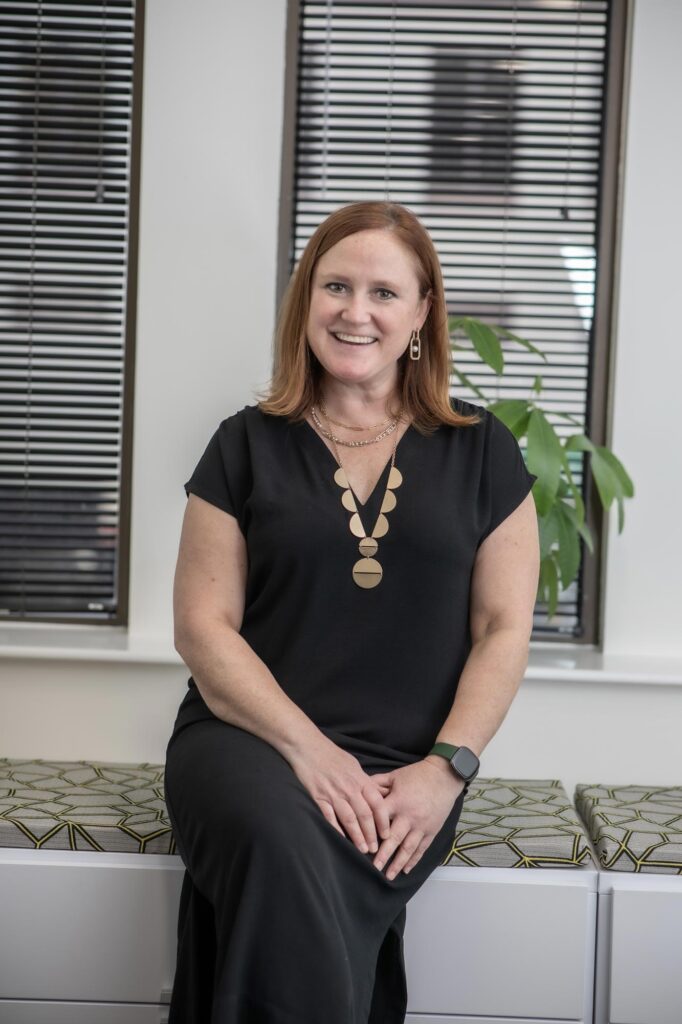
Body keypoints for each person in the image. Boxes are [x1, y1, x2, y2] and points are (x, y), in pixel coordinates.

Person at [163, 200, 540, 1023]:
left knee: (297, 876)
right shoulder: (242, 444)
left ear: (420, 314)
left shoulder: (484, 451)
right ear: (306, 302)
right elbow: (202, 626)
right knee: (278, 840)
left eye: (382, 291)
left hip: (411, 768)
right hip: (248, 742)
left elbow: (503, 629)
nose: (354, 311)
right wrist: (312, 755)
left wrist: (448, 770)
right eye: (335, 286)